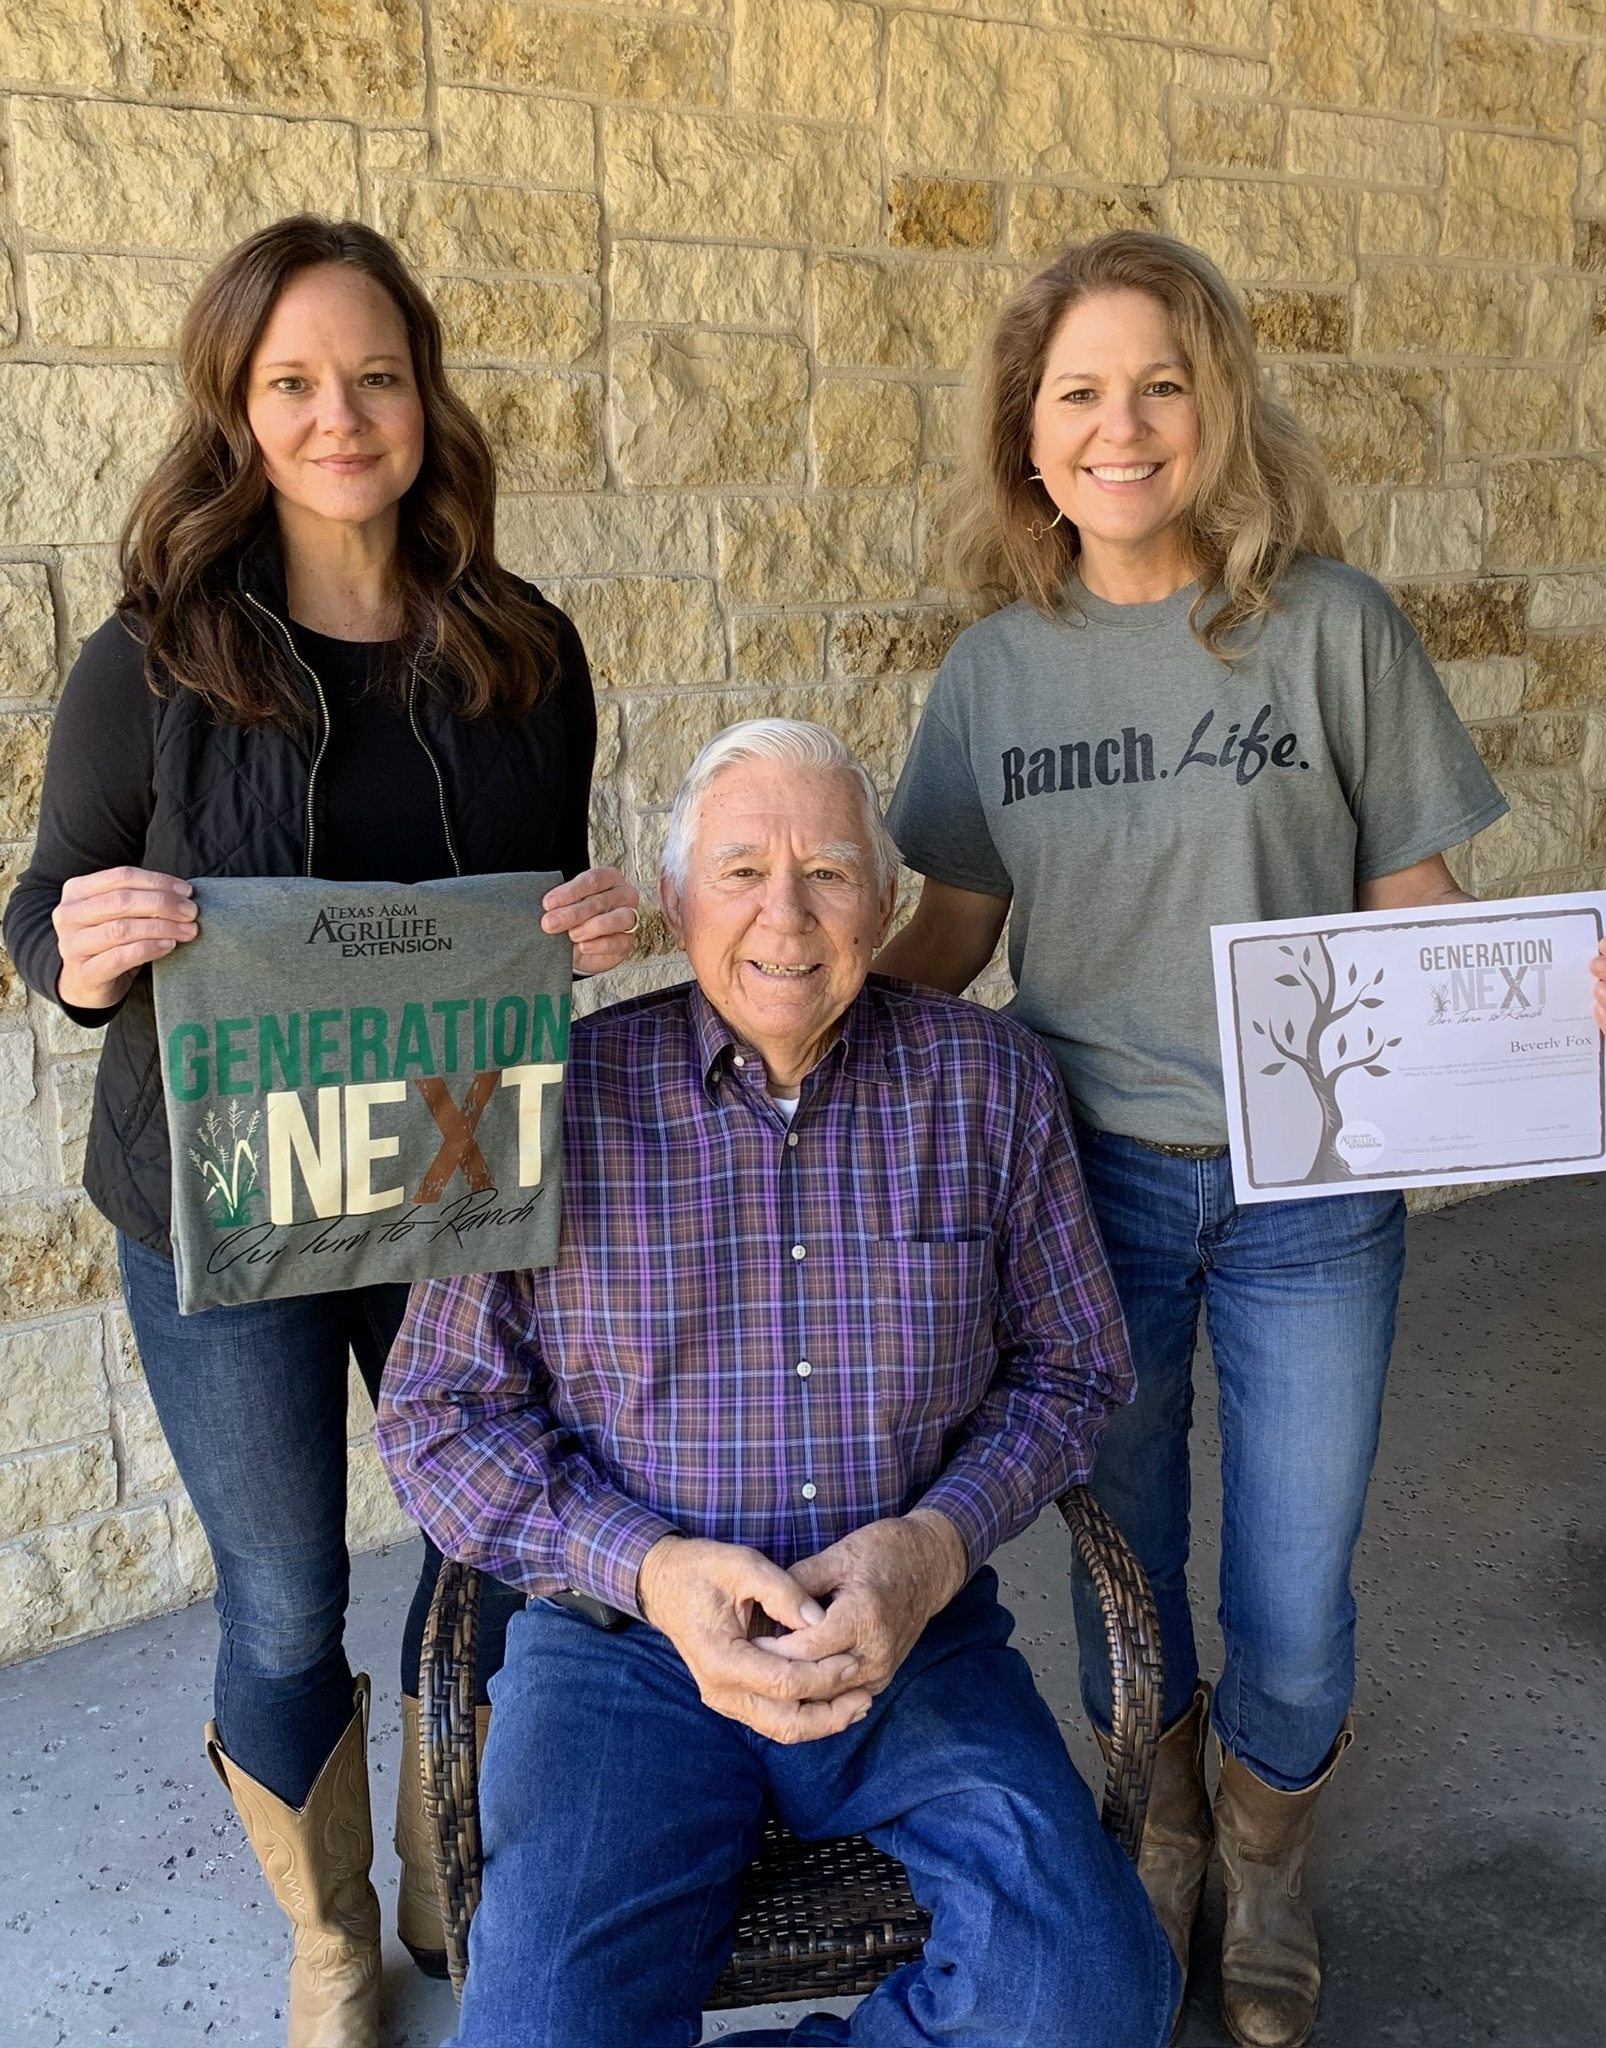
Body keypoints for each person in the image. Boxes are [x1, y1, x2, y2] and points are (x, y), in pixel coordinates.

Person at [868, 231, 1599, 2048]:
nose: (1122, 428)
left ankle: (1269, 1846)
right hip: (1081, 1189)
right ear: (1025, 438)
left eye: (1160, 384)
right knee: (1121, 1560)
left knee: (1291, 1585)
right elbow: (947, 942)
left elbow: (1413, 911)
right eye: (1077, 395)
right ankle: (1169, 1823)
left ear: (1219, 408)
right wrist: (772, 1015)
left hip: (1310, 1185)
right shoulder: (992, 677)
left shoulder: (1330, 629)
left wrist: (1545, 1004)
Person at [2, 216, 639, 2048]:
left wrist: (588, 925)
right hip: (223, 1201)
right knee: (286, 1597)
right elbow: (42, 913)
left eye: (373, 375)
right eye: (293, 382)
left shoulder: (526, 649)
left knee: (500, 1546)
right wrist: (89, 952)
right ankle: (333, 1940)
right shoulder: (156, 660)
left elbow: (530, 920)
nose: (339, 414)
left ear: (423, 397)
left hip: (451, 1189)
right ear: (238, 407)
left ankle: (457, 1855)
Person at [375, 719, 1181, 2048]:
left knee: (1096, 1996)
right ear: (678, 900)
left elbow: (1072, 1370)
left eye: (827, 872)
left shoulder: (988, 1085)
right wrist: (643, 1568)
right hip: (624, 1658)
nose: (786, 917)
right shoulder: (545, 1095)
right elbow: (439, 1416)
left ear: (884, 901)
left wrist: (931, 1547)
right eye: (741, 870)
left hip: (906, 1637)